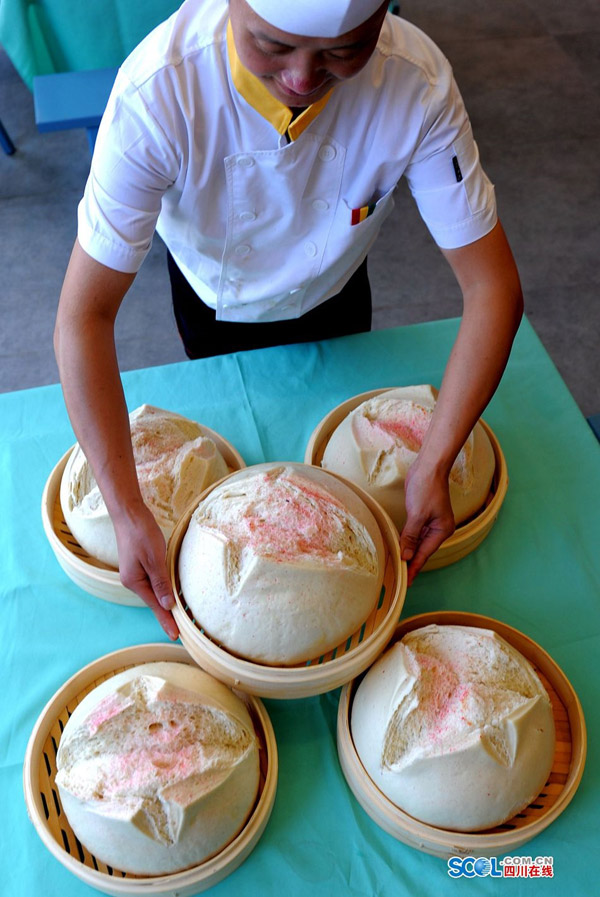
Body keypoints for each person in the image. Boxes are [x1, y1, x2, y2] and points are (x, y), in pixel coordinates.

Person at [54, 0, 524, 640]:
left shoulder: (416, 83)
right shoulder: (158, 91)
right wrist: (125, 505)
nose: (302, 78)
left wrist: (435, 461)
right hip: (212, 299)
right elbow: (83, 315)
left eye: (342, 52)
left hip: (337, 290)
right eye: (272, 46)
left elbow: (493, 287)